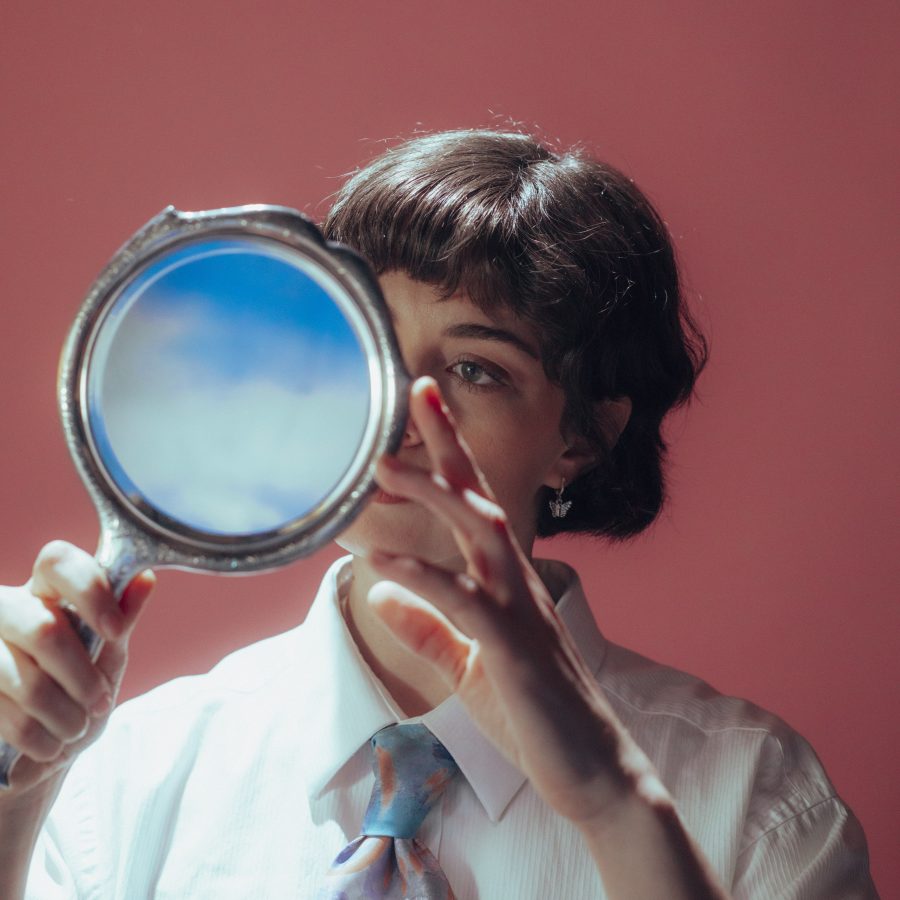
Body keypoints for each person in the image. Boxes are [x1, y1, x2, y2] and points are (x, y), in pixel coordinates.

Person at [0, 130, 876, 898]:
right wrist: (18, 789)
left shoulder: (756, 800)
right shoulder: (132, 775)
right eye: (368, 349)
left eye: (474, 370)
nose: (395, 415)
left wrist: (613, 806)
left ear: (583, 433)